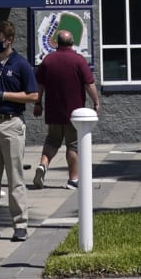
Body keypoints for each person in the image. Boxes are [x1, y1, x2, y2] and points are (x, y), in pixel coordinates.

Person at [0, 20, 38, 242]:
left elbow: (33, 95)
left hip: (12, 122)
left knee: (15, 178)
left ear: (9, 40)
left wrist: (5, 96)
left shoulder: (21, 65)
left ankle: (20, 225)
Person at [31, 27, 98, 190]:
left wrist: (38, 103)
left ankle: (43, 165)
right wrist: (96, 102)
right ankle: (73, 179)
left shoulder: (48, 60)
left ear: (56, 43)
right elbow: (89, 84)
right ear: (72, 43)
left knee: (52, 141)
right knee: (73, 145)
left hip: (53, 112)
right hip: (74, 113)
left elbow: (39, 84)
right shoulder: (79, 60)